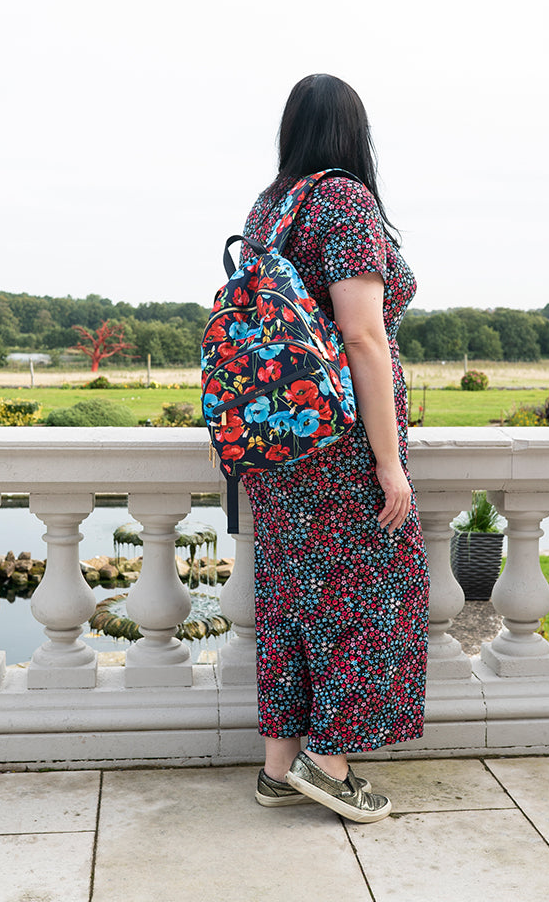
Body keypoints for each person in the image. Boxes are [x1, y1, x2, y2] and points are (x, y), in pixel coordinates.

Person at [239, 74, 429, 824]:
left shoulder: (269, 208)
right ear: (356, 133)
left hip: (275, 443)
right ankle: (332, 762)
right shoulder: (345, 201)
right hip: (338, 445)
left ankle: (278, 768)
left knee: (292, 596)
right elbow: (362, 335)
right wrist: (387, 461)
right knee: (373, 593)